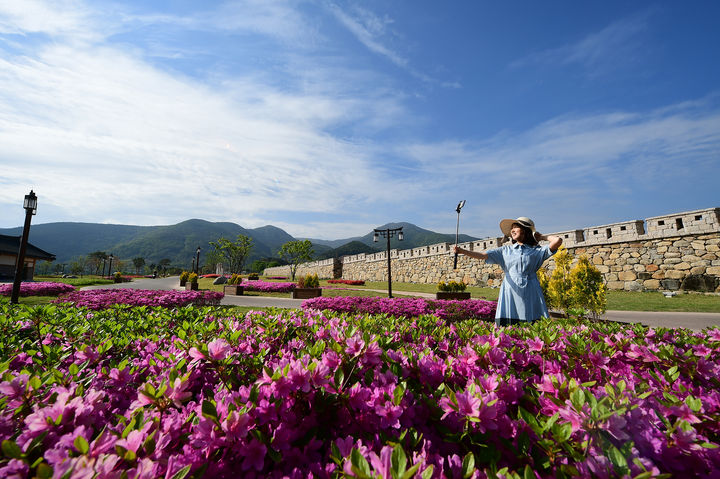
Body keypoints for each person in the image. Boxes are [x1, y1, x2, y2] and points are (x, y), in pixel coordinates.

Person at [453, 216, 562, 326]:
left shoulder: (537, 251)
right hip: (510, 289)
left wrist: (542, 237)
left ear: (525, 230)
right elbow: (482, 255)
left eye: (516, 227)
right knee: (509, 323)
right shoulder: (505, 251)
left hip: (531, 289)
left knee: (532, 322)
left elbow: (557, 241)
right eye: (512, 228)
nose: (512, 230)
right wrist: (462, 251)